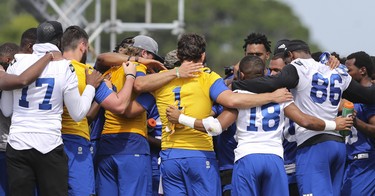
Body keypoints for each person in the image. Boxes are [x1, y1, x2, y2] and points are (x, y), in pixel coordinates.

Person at [166, 55, 352, 196]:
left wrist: (182, 118)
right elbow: (305, 120)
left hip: (248, 159)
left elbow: (215, 127)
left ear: (242, 75)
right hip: (275, 160)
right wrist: (333, 124)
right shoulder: (281, 95)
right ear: (264, 74)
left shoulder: (238, 97)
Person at [147, 33, 293, 195]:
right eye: (250, 54)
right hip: (226, 157)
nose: (255, 57)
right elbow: (231, 101)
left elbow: (138, 85)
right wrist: (272, 97)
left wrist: (170, 73)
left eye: (257, 54)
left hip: (179, 156)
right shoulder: (281, 89)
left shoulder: (160, 80)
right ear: (203, 56)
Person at [231, 40, 375, 196]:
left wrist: (238, 85)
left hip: (314, 145)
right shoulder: (334, 70)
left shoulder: (297, 67)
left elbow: (274, 82)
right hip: (338, 146)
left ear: (290, 55)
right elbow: (368, 96)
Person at [0, 21, 102, 196]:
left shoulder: (17, 61)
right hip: (48, 144)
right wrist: (91, 86)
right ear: (60, 42)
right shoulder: (64, 66)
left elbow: (7, 110)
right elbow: (78, 114)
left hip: (17, 143)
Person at [58, 25, 137, 196]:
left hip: (47, 141)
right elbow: (120, 105)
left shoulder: (49, 69)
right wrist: (130, 76)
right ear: (83, 46)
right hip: (75, 143)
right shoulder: (87, 73)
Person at [341, 51, 375, 196]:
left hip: (365, 161)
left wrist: (356, 122)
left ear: (362, 70)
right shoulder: (348, 95)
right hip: (348, 162)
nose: (345, 74)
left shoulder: (371, 95)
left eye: (349, 70)